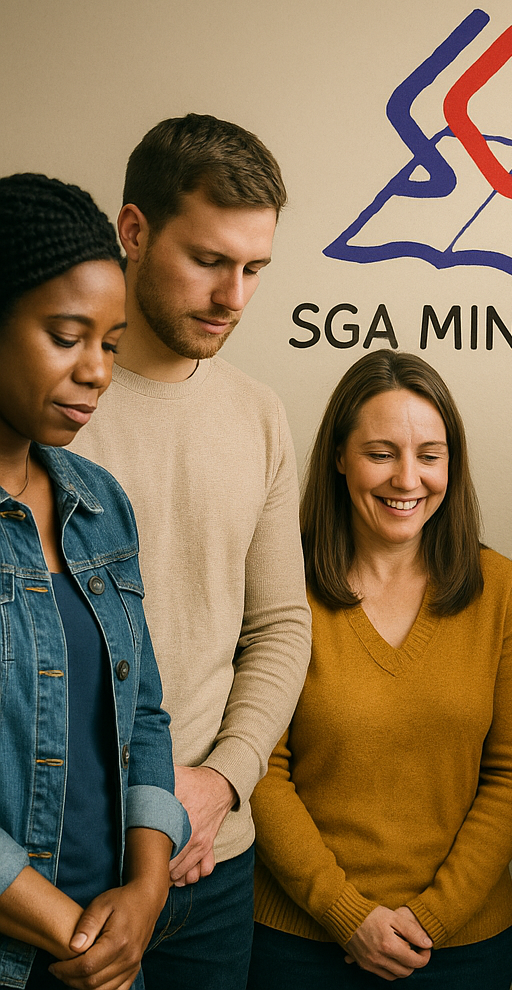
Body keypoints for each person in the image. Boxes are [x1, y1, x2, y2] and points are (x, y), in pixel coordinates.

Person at [72, 114, 311, 990]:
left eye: (255, 270)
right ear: (133, 231)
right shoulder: (53, 406)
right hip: (70, 849)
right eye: (210, 261)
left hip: (214, 861)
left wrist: (221, 783)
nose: (234, 296)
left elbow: (281, 627)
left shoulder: (259, 414)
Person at [247, 349, 512, 988]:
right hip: (299, 944)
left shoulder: (501, 590)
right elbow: (260, 768)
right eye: (381, 454)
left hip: (461, 948)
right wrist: (345, 912)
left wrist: (432, 919)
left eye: (430, 455)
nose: (408, 479)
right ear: (338, 457)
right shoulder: (281, 586)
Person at [0, 173, 189, 990]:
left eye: (109, 343)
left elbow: (143, 712)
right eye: (67, 335)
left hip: (114, 950)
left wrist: (145, 896)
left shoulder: (98, 500)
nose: (96, 371)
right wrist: (73, 935)